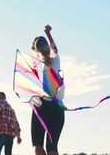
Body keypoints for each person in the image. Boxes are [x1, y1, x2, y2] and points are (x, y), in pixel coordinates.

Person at [30, 25, 64, 155]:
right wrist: (48, 33)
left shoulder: (36, 65)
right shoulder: (55, 59)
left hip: (42, 105)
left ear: (35, 50)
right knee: (52, 148)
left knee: (38, 145)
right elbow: (54, 49)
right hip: (57, 106)